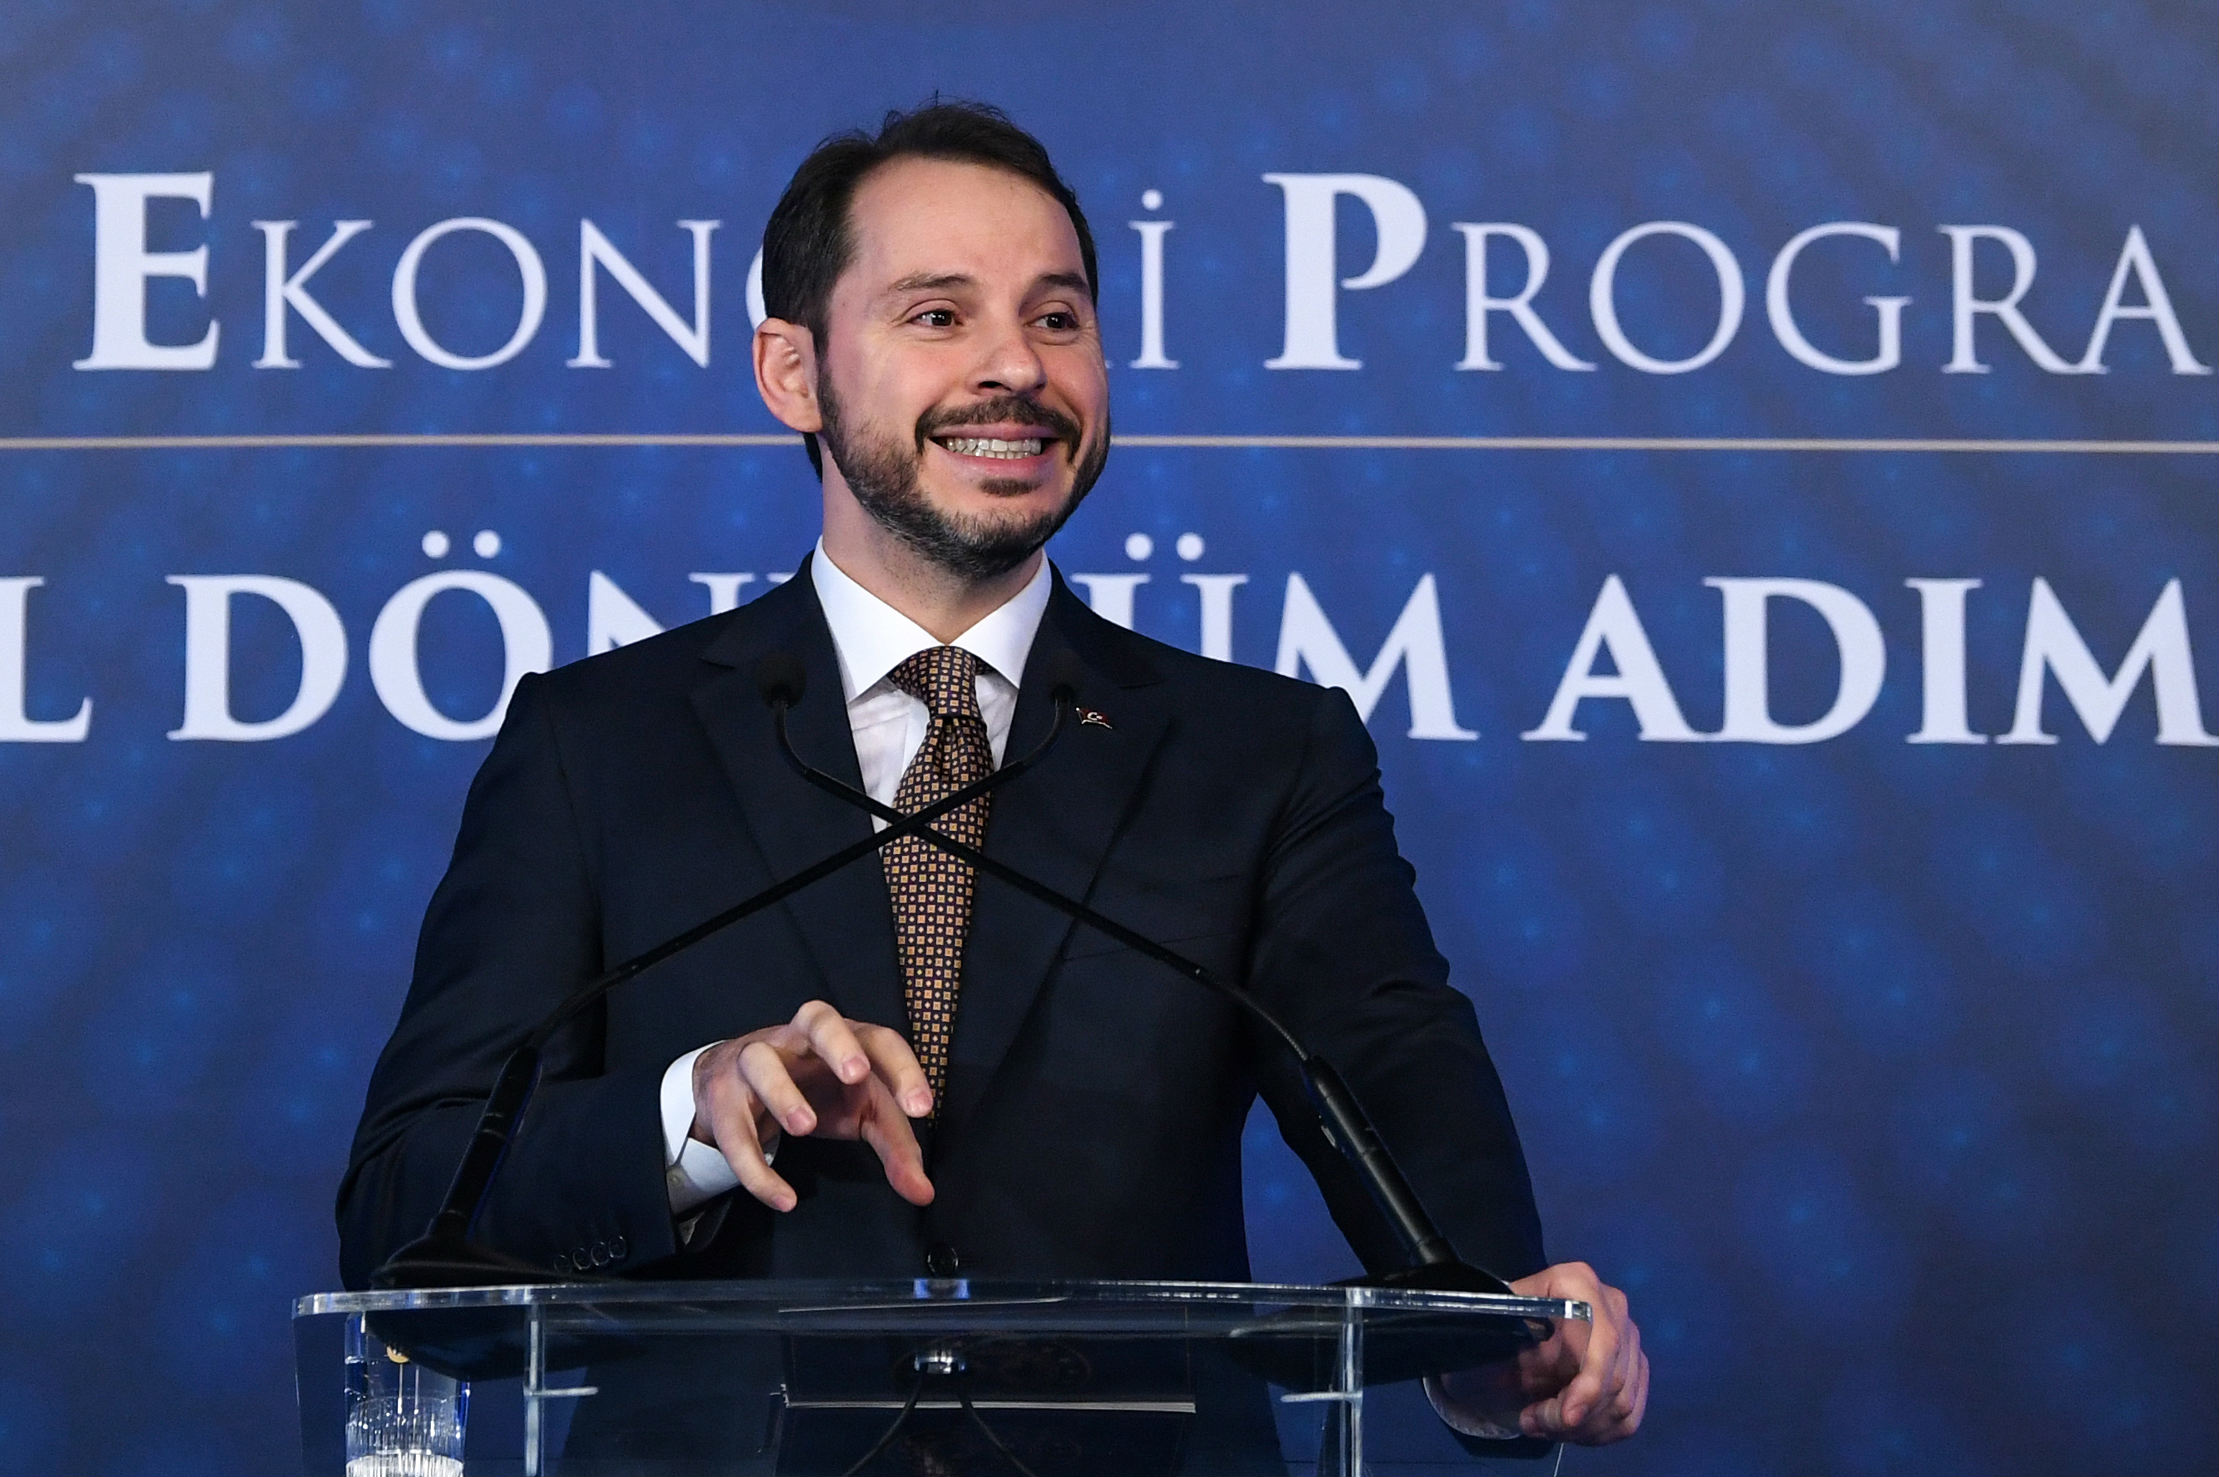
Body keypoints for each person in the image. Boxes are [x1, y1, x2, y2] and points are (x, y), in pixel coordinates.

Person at [339, 101, 1647, 1457]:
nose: (1017, 367)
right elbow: (403, 1214)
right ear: (793, 372)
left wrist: (1497, 1335)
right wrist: (697, 1114)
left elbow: (1404, 1099)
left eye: (1058, 318)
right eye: (938, 315)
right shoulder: (599, 743)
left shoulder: (1263, 755)